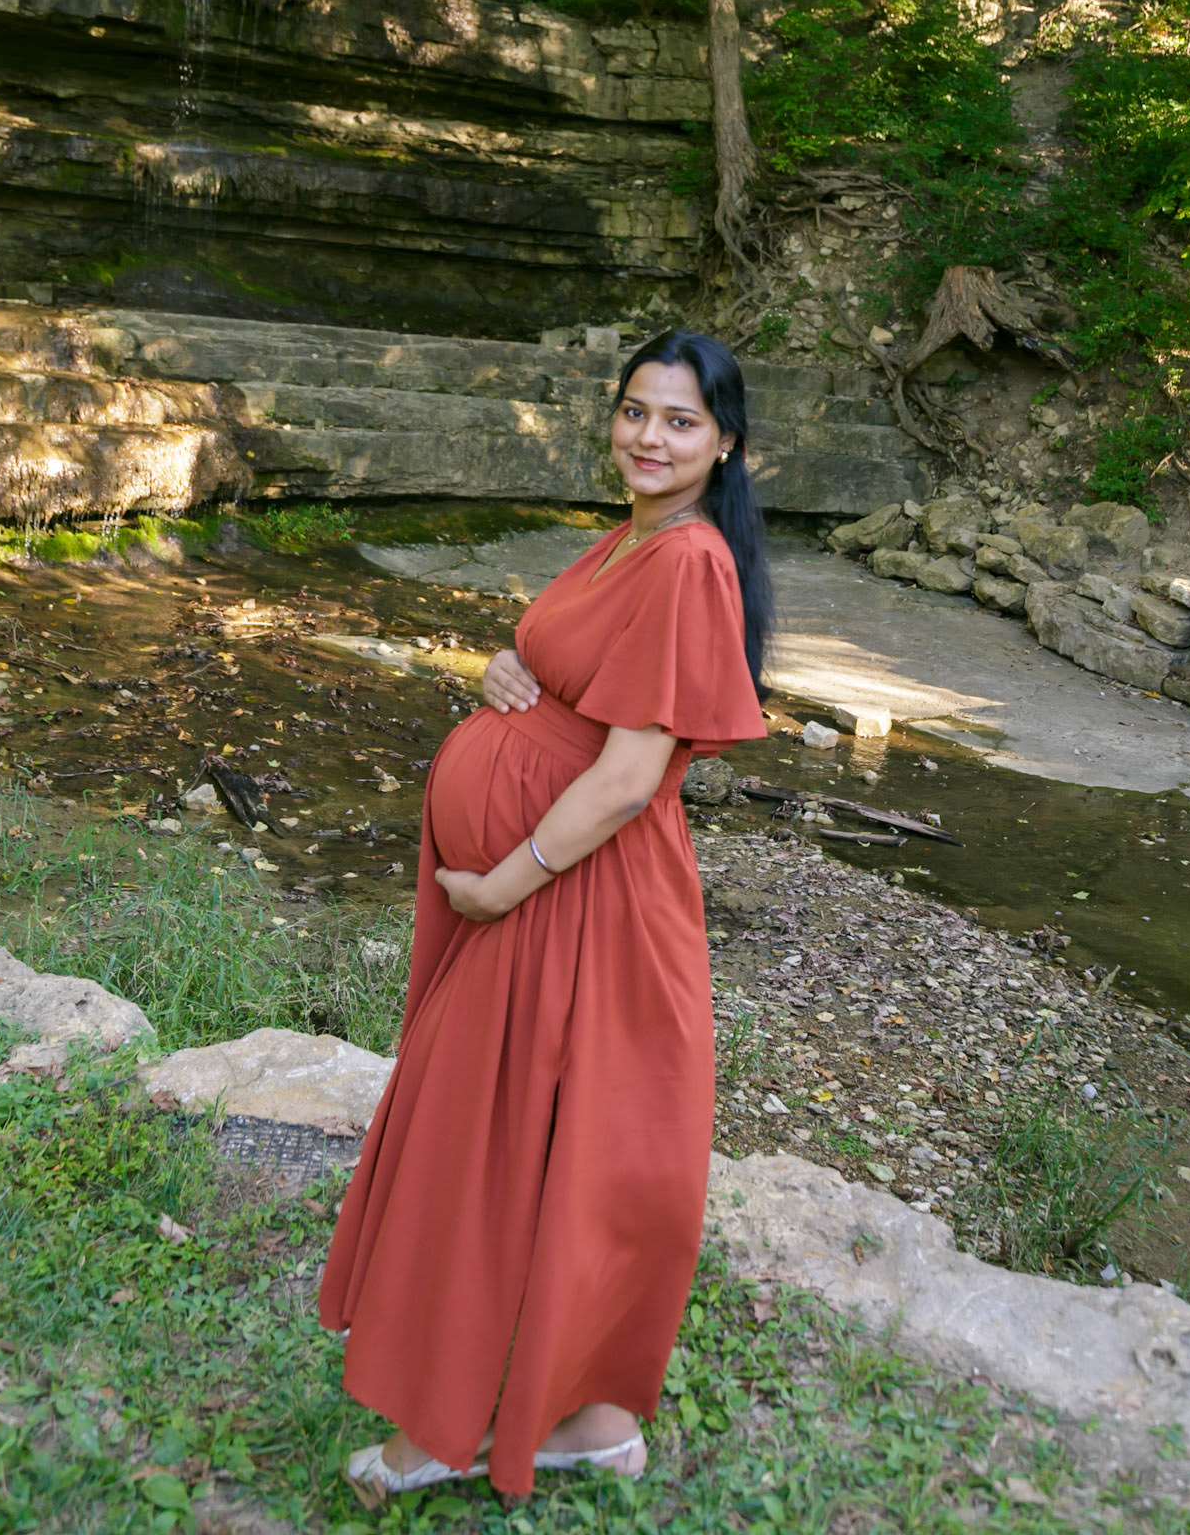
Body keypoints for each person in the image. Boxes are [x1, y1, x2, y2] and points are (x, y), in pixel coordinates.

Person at [318, 328, 774, 1507]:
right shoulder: (629, 539)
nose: (650, 436)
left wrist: (498, 883)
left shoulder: (689, 561)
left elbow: (626, 776)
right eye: (635, 410)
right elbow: (564, 675)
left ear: (725, 442)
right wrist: (496, 671)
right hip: (552, 893)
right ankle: (595, 1425)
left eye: (680, 420)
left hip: (576, 902)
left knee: (499, 1153)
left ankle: (451, 1423)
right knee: (545, 1152)